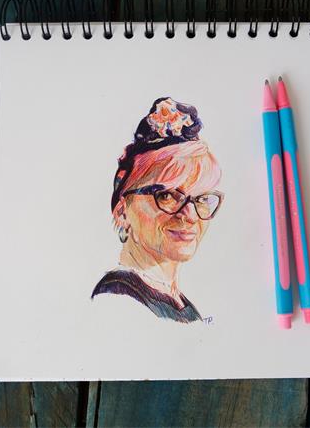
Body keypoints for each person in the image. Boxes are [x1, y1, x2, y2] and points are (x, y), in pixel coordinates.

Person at [92, 97, 223, 323]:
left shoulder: (181, 306)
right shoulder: (118, 299)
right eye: (167, 196)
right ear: (122, 211)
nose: (190, 216)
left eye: (201, 198)